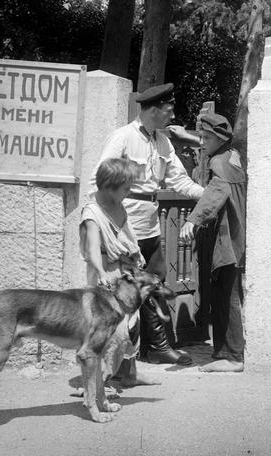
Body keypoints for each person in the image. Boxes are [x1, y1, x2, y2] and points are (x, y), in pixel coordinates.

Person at [90, 83, 204, 365]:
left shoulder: (162, 142)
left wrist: (209, 196)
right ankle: (110, 363)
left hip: (150, 226)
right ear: (154, 109)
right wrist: (108, 223)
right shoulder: (123, 138)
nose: (172, 113)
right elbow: (99, 179)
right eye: (170, 108)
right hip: (123, 229)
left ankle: (157, 347)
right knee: (118, 294)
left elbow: (179, 179)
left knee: (154, 284)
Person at [80, 157, 159, 386]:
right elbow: (93, 247)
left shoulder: (117, 204)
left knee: (132, 325)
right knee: (111, 331)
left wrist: (135, 255)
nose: (129, 192)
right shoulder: (92, 213)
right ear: (110, 185)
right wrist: (102, 274)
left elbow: (125, 234)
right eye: (126, 188)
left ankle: (129, 374)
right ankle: (98, 382)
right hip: (106, 276)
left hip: (125, 272)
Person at [180, 113, 246, 372]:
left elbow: (217, 190)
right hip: (230, 237)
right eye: (201, 136)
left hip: (226, 239)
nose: (202, 141)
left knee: (226, 296)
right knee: (222, 294)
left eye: (207, 138)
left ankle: (233, 357)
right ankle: (223, 351)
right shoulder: (230, 156)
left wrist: (192, 220)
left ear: (219, 139)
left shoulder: (220, 162)